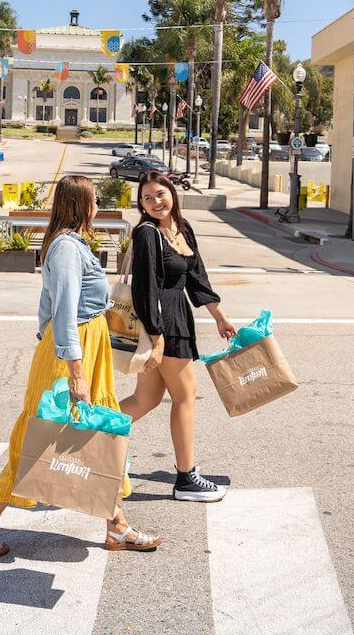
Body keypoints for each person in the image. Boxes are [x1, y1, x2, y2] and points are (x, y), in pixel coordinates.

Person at [0, 175, 162, 557]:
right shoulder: (68, 248)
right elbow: (64, 310)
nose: (97, 205)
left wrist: (53, 339)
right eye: (94, 199)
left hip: (87, 345)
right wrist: (74, 370)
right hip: (74, 350)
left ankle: (116, 524)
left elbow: (47, 306)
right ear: (81, 205)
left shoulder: (72, 245)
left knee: (100, 432)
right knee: (41, 438)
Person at [119, 172, 236, 502]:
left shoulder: (183, 231)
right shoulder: (146, 233)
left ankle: (92, 436)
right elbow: (145, 289)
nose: (156, 202)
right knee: (185, 397)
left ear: (172, 192)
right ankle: (186, 478)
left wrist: (220, 317)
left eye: (160, 194)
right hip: (163, 323)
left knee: (145, 400)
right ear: (141, 205)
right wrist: (156, 337)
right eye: (147, 198)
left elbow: (198, 280)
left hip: (176, 319)